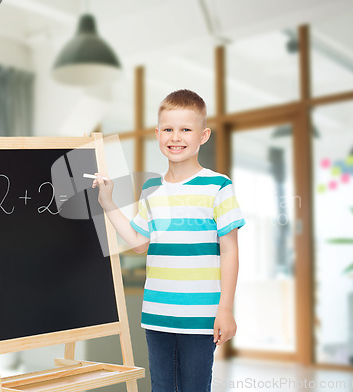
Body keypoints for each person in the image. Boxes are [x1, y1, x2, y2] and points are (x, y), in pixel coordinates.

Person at [92, 89, 245, 391]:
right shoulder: (151, 188)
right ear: (158, 133)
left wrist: (225, 309)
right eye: (168, 129)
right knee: (161, 387)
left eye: (186, 129)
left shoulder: (218, 186)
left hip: (200, 316)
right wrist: (108, 203)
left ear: (203, 135)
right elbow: (138, 242)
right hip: (156, 315)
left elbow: (230, 250)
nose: (176, 137)